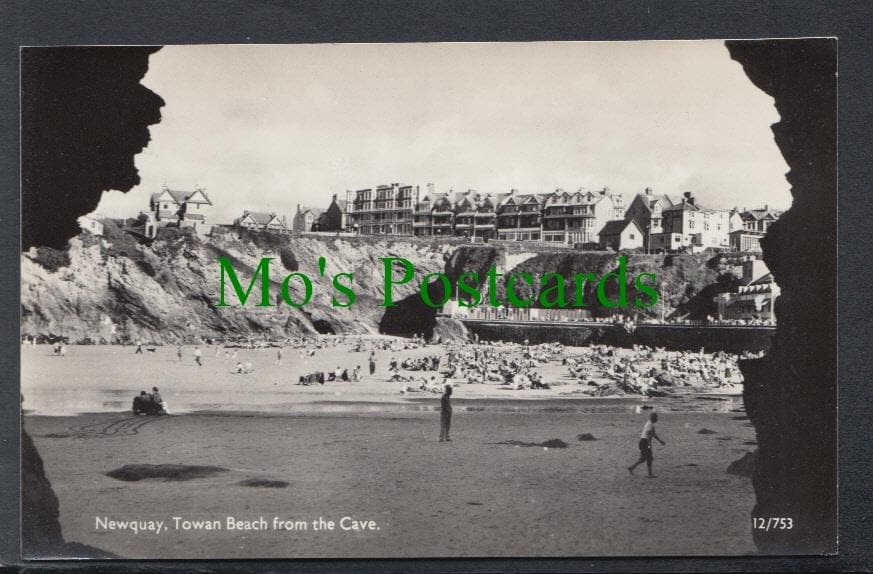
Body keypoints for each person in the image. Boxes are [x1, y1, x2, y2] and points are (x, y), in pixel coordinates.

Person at [628, 412, 666, 478]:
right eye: (656, 417)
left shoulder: (650, 424)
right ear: (653, 418)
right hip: (644, 442)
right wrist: (649, 445)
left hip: (643, 442)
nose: (657, 419)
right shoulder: (650, 425)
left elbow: (653, 434)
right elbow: (648, 435)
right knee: (649, 458)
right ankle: (650, 474)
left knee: (643, 459)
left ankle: (631, 467)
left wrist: (660, 441)